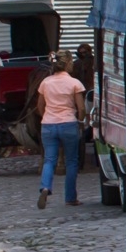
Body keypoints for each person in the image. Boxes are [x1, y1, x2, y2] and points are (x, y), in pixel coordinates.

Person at [33, 50, 88, 209]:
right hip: (69, 124)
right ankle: (70, 198)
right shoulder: (75, 83)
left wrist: (47, 117)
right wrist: (80, 120)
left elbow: (39, 106)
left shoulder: (45, 83)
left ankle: (45, 188)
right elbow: (82, 108)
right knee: (71, 162)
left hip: (48, 125)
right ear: (68, 63)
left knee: (49, 160)